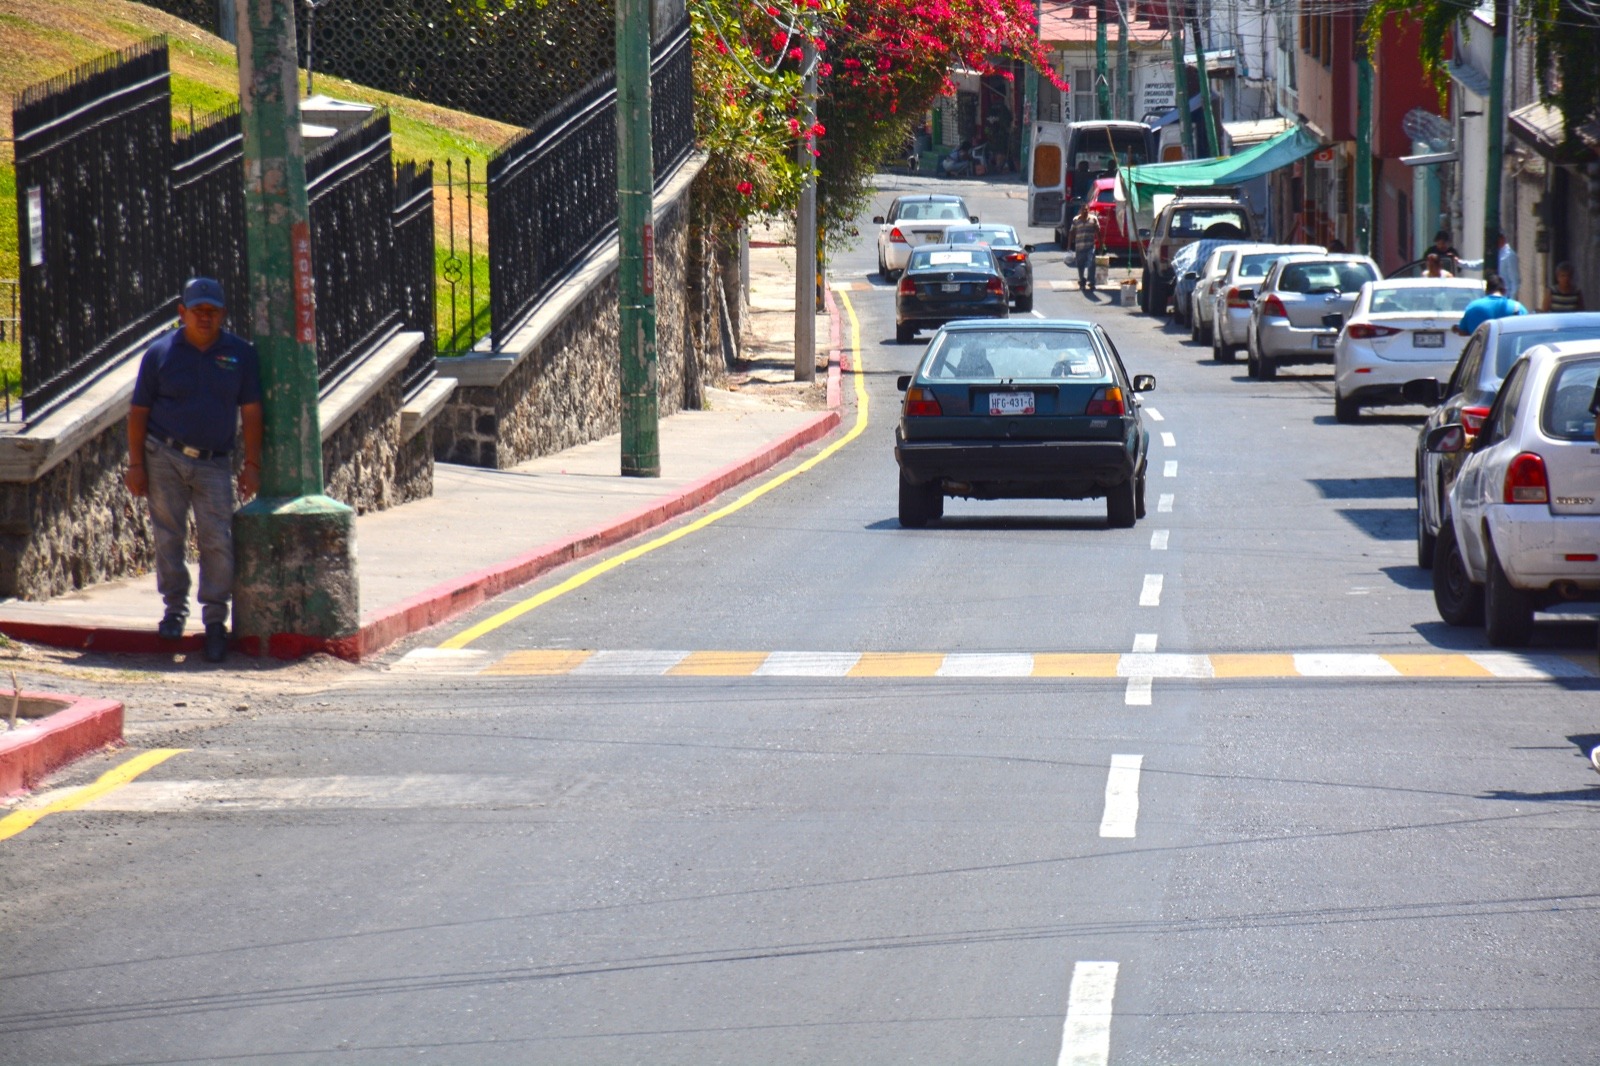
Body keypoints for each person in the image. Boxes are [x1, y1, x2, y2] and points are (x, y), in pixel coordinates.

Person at [127, 278, 263, 663]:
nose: (205, 318)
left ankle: (215, 621)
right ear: (182, 312)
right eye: (198, 310)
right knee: (168, 535)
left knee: (217, 540)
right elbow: (138, 412)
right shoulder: (160, 354)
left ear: (223, 314)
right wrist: (136, 464)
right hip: (164, 455)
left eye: (212, 311)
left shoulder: (240, 354)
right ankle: (174, 610)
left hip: (215, 462)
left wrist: (252, 465)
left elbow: (252, 411)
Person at [1453, 274, 1527, 336]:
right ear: (1504, 291)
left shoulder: (1473, 307)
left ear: (1486, 291)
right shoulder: (1517, 307)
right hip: (1509, 349)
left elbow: (1463, 331)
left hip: (1482, 349)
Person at [1069, 204, 1102, 292]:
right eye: (1083, 210)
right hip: (1079, 247)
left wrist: (1101, 245)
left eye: (1086, 210)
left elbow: (1098, 232)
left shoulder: (1093, 219)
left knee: (1091, 263)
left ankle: (1091, 282)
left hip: (1090, 246)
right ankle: (1082, 281)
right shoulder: (1076, 220)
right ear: (1080, 210)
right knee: (1080, 266)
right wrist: (1068, 246)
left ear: (1089, 210)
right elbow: (1071, 232)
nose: (1085, 211)